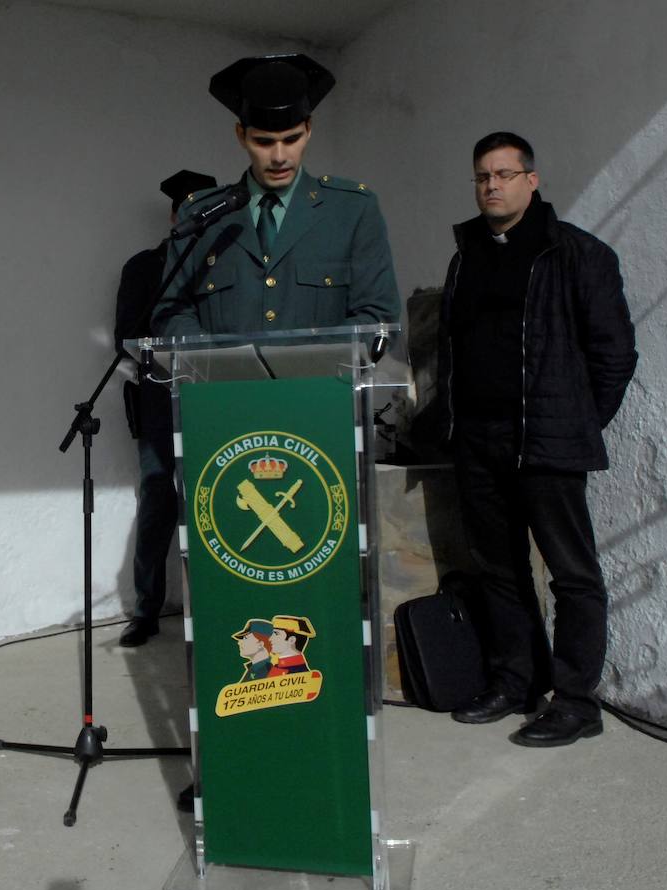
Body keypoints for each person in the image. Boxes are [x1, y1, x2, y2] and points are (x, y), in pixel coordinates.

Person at [440, 132, 636, 747]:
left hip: (547, 442)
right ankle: (516, 681)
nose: (491, 186)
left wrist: (576, 422)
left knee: (572, 575)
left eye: (503, 174)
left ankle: (577, 702)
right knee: (498, 570)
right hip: (478, 438)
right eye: (481, 176)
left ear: (532, 179)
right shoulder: (466, 254)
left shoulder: (576, 254)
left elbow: (615, 353)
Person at [153, 53, 400, 337]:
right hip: (226, 382)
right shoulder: (202, 216)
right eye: (264, 142)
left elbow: (378, 314)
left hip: (322, 382)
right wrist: (221, 365)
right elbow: (170, 314)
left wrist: (302, 365)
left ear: (308, 130)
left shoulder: (352, 210)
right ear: (241, 135)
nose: (279, 157)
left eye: (291, 139)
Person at [116, 169, 216, 647]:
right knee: (158, 503)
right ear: (175, 215)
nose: (193, 215)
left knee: (216, 501)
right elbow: (125, 338)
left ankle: (218, 604)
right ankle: (146, 609)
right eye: (187, 208)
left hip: (216, 399)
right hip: (159, 399)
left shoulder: (226, 264)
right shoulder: (144, 266)